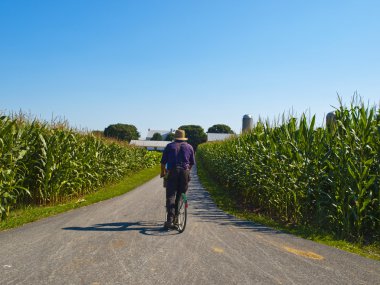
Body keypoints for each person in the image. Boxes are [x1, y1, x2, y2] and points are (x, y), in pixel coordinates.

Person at [160, 129, 195, 229]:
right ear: (184, 138)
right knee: (180, 194)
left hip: (172, 172)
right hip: (184, 172)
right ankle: (177, 217)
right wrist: (187, 171)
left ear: (175, 137)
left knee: (171, 195)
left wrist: (163, 172)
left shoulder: (170, 146)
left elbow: (163, 162)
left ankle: (170, 219)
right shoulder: (189, 147)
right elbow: (192, 163)